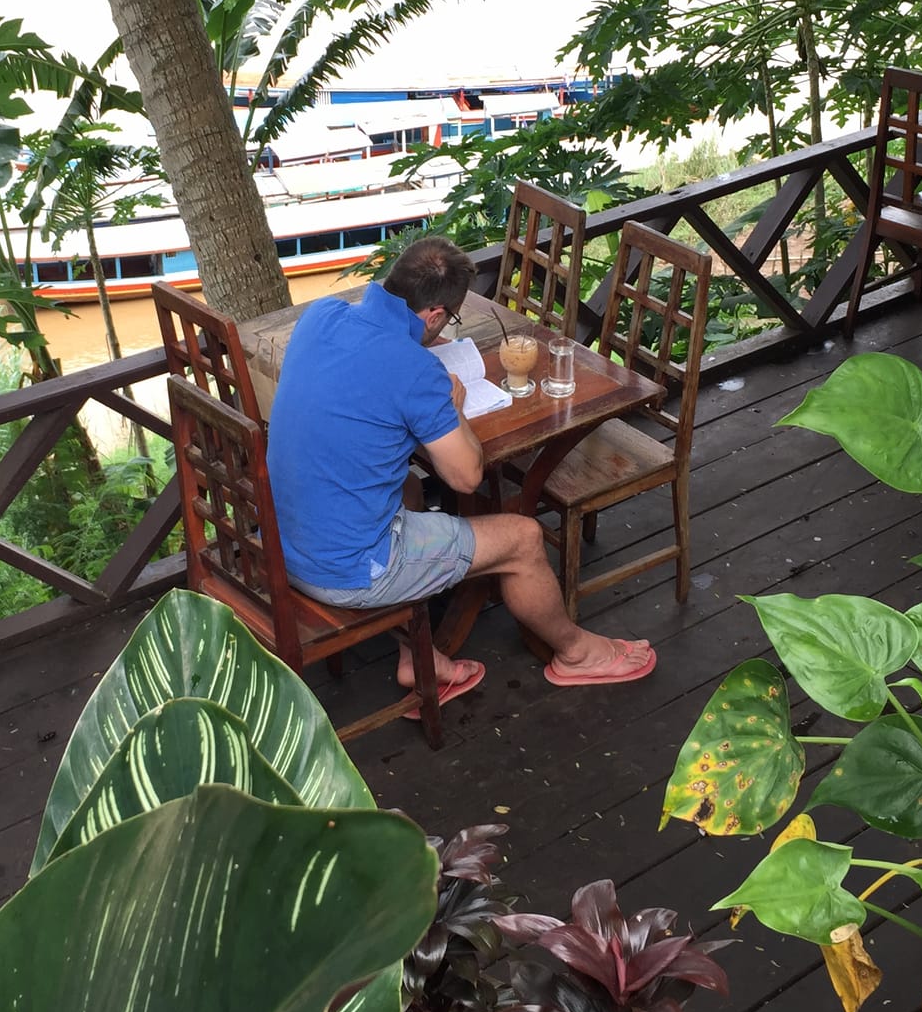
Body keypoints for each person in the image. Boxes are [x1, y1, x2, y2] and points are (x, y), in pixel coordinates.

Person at [267, 234, 657, 714]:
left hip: (281, 540)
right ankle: (576, 652)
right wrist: (454, 408)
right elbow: (467, 477)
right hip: (347, 570)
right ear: (434, 316)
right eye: (447, 319)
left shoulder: (321, 316)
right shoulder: (415, 371)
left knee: (410, 485)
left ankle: (419, 655)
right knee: (523, 538)